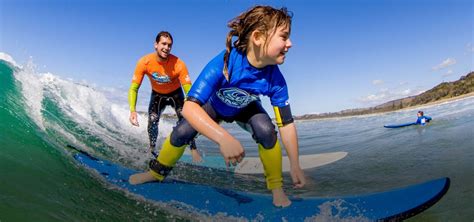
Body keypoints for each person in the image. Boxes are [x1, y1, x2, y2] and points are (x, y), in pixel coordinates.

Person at [129, 6, 306, 207]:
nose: (290, 44)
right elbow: (189, 108)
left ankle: (277, 188)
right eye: (284, 37)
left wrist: (294, 163)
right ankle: (155, 173)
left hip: (246, 108)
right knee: (183, 130)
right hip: (215, 106)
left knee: (266, 130)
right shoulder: (226, 60)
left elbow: (287, 124)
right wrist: (223, 138)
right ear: (258, 37)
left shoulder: (276, 79)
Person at [128, 31, 202, 162]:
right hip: (157, 95)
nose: (166, 48)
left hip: (176, 94)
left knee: (185, 118)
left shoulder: (179, 64)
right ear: (156, 45)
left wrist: (191, 106)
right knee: (152, 119)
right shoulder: (144, 62)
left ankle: (193, 148)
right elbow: (134, 88)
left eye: (169, 45)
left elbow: (189, 90)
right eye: (163, 44)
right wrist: (132, 110)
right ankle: (152, 149)